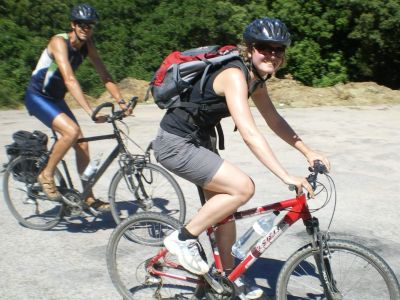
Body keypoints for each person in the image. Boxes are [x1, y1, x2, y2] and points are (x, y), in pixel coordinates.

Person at [152, 17, 331, 298]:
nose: (272, 54)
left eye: (279, 49)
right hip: (175, 144)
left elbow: (274, 120)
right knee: (243, 187)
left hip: (198, 143)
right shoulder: (235, 75)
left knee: (225, 214)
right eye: (264, 47)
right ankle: (182, 239)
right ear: (250, 49)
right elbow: (250, 133)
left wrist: (307, 151)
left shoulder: (256, 81)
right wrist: (285, 175)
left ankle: (227, 277)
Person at [24, 4, 132, 211]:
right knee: (71, 132)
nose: (86, 28)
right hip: (37, 97)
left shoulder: (88, 45)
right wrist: (90, 110)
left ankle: (88, 197)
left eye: (90, 25)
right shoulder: (59, 42)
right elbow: (70, 79)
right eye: (81, 24)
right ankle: (46, 174)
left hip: (55, 98)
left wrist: (121, 100)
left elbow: (104, 75)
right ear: (73, 25)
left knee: (81, 143)